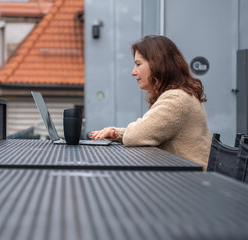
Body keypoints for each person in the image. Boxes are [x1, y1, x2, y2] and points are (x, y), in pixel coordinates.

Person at [89, 35, 211, 170]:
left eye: (138, 64)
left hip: (189, 184)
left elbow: (135, 136)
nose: (133, 72)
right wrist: (116, 133)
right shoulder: (180, 95)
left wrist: (123, 134)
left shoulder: (176, 99)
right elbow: (148, 131)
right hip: (186, 179)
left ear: (157, 64)